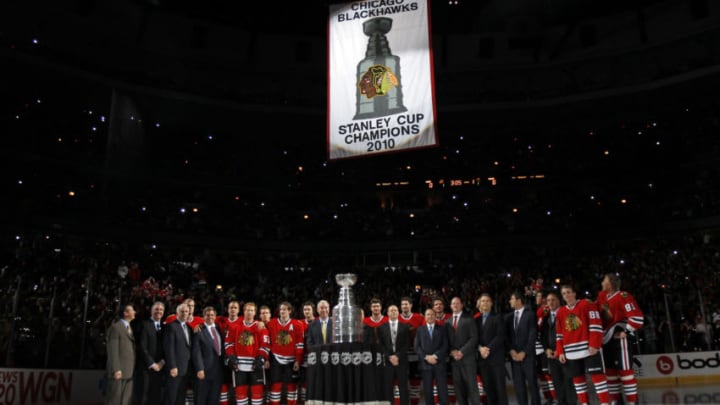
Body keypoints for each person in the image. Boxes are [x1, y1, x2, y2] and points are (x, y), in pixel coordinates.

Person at [556, 284, 610, 405]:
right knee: (578, 381)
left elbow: (595, 324)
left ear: (574, 293)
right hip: (571, 352)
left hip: (589, 348)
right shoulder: (561, 312)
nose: (567, 295)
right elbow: (559, 335)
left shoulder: (586, 304)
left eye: (569, 292)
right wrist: (560, 352)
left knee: (598, 378)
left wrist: (594, 344)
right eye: (564, 293)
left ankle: (605, 403)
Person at [596, 273, 644, 405]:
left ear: (610, 284)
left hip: (620, 339)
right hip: (606, 340)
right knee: (610, 372)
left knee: (625, 372)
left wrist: (626, 331)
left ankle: (632, 402)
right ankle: (615, 401)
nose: (601, 283)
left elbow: (637, 317)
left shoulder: (624, 296)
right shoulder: (602, 297)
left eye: (603, 281)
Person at [225, 302, 271, 405]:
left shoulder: (260, 327)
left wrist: (261, 357)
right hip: (239, 365)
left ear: (255, 313)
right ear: (243, 311)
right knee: (241, 396)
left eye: (251, 310)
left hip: (256, 365)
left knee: (257, 395)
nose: (249, 312)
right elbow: (228, 343)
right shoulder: (234, 326)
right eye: (247, 310)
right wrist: (231, 356)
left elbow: (265, 344)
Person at [540, 292, 577, 405]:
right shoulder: (545, 318)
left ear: (559, 301)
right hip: (552, 356)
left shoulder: (566, 314)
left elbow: (571, 334)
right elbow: (543, 337)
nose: (551, 302)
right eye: (548, 300)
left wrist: (560, 350)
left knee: (568, 382)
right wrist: (546, 349)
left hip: (565, 354)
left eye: (553, 300)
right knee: (557, 383)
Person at [266, 302, 304, 405]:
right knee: (275, 385)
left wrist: (297, 360)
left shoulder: (297, 324)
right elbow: (266, 340)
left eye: (285, 309)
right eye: (281, 309)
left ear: (289, 311)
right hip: (276, 359)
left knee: (292, 386)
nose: (282, 311)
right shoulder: (271, 323)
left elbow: (299, 344)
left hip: (291, 360)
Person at [506, 292, 541, 405]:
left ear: (519, 300)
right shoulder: (508, 317)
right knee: (519, 386)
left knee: (532, 385)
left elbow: (533, 335)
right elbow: (506, 337)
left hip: (528, 356)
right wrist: (511, 351)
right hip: (514, 357)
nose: (509, 301)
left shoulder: (530, 314)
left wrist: (524, 352)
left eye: (511, 298)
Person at [447, 297, 480, 405]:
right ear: (451, 306)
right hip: (455, 362)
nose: (455, 305)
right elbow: (447, 341)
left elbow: (474, 338)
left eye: (457, 303)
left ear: (461, 305)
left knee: (472, 390)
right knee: (460, 392)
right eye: (453, 303)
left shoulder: (469, 319)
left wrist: (461, 352)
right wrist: (452, 352)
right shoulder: (447, 322)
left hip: (468, 360)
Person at [476, 294, 508, 405]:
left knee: (500, 390)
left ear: (491, 303)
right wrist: (480, 348)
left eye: (487, 301)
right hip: (483, 361)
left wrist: (487, 349)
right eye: (483, 301)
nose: (485, 303)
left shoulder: (498, 317)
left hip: (496, 359)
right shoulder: (476, 320)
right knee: (488, 390)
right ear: (479, 303)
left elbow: (500, 336)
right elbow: (474, 338)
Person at [414, 308, 449, 405]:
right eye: (428, 315)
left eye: (432, 314)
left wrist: (435, 356)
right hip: (425, 365)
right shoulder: (420, 330)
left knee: (442, 390)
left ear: (435, 316)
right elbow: (417, 347)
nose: (430, 316)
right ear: (425, 317)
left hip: (439, 364)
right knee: (428, 390)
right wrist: (426, 357)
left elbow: (445, 345)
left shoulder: (442, 329)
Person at [192, 306, 225, 405]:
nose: (210, 317)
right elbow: (196, 351)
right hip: (204, 372)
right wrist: (200, 368)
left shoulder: (219, 329)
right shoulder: (199, 330)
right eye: (207, 315)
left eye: (212, 315)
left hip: (218, 371)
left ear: (215, 316)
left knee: (214, 399)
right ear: (203, 316)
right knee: (201, 399)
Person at [134, 301, 166, 405]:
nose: (159, 311)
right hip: (145, 369)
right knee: (142, 396)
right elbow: (142, 347)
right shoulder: (144, 324)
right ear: (151, 311)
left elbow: (167, 347)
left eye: (161, 310)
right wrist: (152, 363)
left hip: (160, 369)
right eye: (156, 309)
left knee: (156, 396)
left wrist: (162, 362)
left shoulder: (165, 327)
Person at [379, 304, 411, 405]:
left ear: (398, 312)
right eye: (391, 310)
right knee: (388, 388)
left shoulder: (405, 327)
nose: (393, 312)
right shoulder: (381, 327)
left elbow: (407, 344)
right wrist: (389, 356)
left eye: (395, 310)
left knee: (403, 388)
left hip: (401, 361)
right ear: (387, 313)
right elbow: (380, 345)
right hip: (388, 362)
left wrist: (397, 356)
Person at [106, 304, 136, 405]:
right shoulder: (116, 327)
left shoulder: (129, 327)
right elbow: (112, 350)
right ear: (125, 313)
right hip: (119, 371)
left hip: (129, 370)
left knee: (125, 400)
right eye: (132, 310)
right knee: (115, 399)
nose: (134, 312)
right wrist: (116, 368)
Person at [164, 303, 193, 405]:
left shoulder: (189, 328)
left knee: (181, 397)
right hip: (175, 369)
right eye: (182, 311)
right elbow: (169, 348)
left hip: (186, 369)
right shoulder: (171, 326)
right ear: (177, 313)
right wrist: (172, 366)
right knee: (171, 397)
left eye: (186, 312)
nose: (184, 314)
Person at [398, 297, 425, 405]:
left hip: (415, 352)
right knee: (401, 377)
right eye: (403, 304)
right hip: (401, 353)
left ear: (411, 305)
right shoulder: (396, 318)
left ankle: (415, 401)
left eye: (406, 304)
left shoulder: (419, 318)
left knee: (415, 377)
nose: (404, 306)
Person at [217, 300, 242, 405]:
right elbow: (204, 319)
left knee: (238, 383)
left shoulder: (243, 320)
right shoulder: (220, 320)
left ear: (239, 310)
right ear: (227, 309)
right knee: (223, 381)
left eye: (235, 307)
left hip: (238, 356)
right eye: (231, 307)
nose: (233, 309)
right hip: (222, 355)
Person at [298, 300, 315, 405]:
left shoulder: (318, 321)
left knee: (315, 381)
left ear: (313, 311)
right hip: (303, 358)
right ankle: (305, 402)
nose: (306, 311)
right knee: (304, 382)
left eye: (308, 309)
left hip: (315, 357)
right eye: (305, 309)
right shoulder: (299, 323)